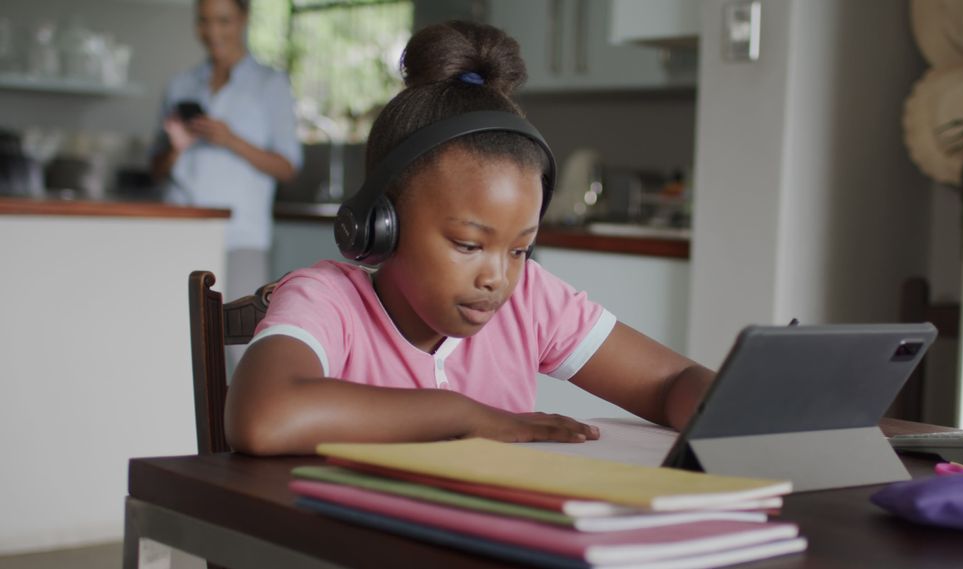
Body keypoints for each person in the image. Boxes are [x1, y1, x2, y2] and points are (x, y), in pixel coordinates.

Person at [226, 21, 715, 456]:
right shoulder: (327, 301)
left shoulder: (531, 301)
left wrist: (729, 404)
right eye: (468, 245)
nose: (497, 278)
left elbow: (671, 382)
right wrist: (462, 416)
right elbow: (263, 416)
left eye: (519, 249)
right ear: (381, 222)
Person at [150, 0, 302, 303]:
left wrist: (230, 140)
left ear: (243, 19)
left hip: (240, 235)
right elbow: (156, 170)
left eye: (223, 21)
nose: (212, 32)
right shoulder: (180, 85)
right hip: (179, 228)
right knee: (172, 331)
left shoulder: (270, 85)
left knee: (238, 340)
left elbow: (288, 167)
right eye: (204, 21)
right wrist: (176, 149)